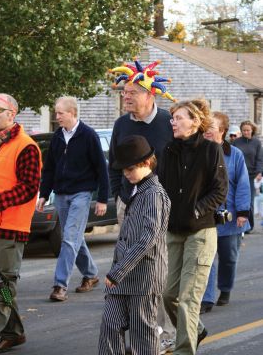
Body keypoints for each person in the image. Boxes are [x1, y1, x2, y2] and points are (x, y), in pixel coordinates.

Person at [109, 58, 176, 353]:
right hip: (128, 204)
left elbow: (178, 166)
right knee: (127, 268)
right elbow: (113, 164)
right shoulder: (121, 124)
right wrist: (117, 196)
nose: (126, 96)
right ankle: (136, 332)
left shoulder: (167, 123)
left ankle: (163, 333)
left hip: (159, 206)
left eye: (132, 92)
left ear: (149, 94)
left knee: (154, 272)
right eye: (124, 92)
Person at [159, 99, 228, 355]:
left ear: (195, 122)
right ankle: (195, 329)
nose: (173, 122)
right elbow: (162, 187)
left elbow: (220, 190)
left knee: (188, 298)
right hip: (174, 231)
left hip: (201, 232)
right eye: (173, 118)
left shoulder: (211, 150)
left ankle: (184, 350)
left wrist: (196, 209)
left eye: (178, 118)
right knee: (169, 295)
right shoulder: (168, 150)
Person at [98, 135, 171, 355]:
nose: (126, 174)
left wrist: (117, 271)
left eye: (130, 169)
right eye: (123, 170)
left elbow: (147, 238)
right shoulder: (138, 189)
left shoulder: (154, 194)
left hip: (144, 277)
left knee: (142, 337)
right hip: (123, 276)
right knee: (110, 326)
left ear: (147, 163)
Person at [36, 96, 109, 301]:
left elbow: (101, 169)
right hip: (60, 194)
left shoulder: (88, 135)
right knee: (74, 237)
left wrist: (102, 198)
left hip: (81, 194)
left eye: (60, 113)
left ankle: (60, 285)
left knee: (68, 238)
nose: (56, 116)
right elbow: (49, 168)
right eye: (56, 113)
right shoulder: (58, 136)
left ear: (72, 113)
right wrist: (43, 194)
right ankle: (91, 274)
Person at [0, 94, 41, 352]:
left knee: (2, 285)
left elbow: (28, 188)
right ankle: (13, 331)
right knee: (1, 285)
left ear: (10, 114)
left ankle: (6, 328)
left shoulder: (26, 147)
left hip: (10, 229)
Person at [201, 112, 251, 313]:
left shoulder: (235, 155)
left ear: (222, 131)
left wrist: (242, 212)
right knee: (207, 258)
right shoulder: (199, 153)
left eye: (211, 127)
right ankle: (207, 298)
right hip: (206, 216)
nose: (206, 131)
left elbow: (243, 185)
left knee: (229, 257)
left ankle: (225, 288)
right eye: (204, 127)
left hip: (230, 217)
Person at [233, 120, 263, 231]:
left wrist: (259, 172)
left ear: (252, 130)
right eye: (244, 130)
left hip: (251, 176)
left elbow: (260, 159)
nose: (246, 132)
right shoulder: (236, 142)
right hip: (237, 174)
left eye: (248, 130)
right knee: (237, 199)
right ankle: (239, 224)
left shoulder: (257, 143)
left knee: (249, 201)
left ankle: (249, 226)